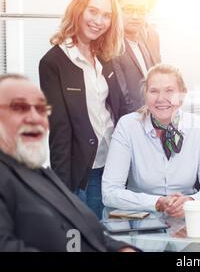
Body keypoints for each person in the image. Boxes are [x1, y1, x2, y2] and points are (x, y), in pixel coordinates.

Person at [0, 74, 135, 252]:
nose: (34, 117)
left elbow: (91, 232)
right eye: (19, 107)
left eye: (41, 109)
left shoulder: (40, 172)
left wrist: (122, 249)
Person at [39, 0, 126, 219]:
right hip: (84, 174)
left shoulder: (105, 54)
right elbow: (59, 129)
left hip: (115, 167)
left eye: (107, 15)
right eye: (93, 11)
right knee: (82, 240)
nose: (99, 21)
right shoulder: (53, 62)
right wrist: (61, 190)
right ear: (78, 10)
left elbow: (116, 109)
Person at [102, 64, 200, 218]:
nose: (161, 99)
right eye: (153, 91)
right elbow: (110, 192)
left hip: (188, 218)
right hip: (140, 222)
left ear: (182, 94)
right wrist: (157, 202)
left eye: (169, 90)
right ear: (145, 94)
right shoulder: (128, 126)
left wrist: (190, 201)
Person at [113, 0, 161, 113]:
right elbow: (123, 97)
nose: (135, 16)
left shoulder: (149, 37)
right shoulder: (112, 45)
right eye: (128, 9)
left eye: (141, 10)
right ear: (116, 10)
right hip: (132, 122)